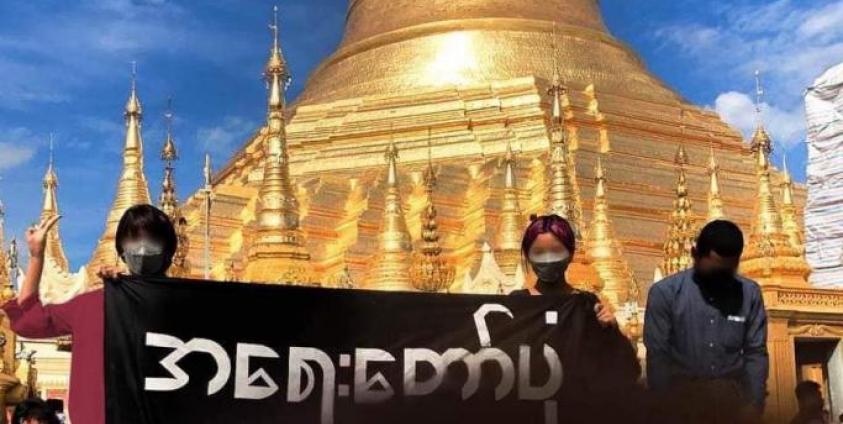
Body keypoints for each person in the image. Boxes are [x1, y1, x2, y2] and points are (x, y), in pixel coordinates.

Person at [2, 204, 177, 424]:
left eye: (152, 240)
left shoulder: (187, 309)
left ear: (169, 250)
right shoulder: (93, 305)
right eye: (133, 240)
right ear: (122, 251)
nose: (142, 249)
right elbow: (29, 321)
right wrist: (37, 257)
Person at [644, 220, 768, 422]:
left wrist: (755, 404)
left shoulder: (749, 293)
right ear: (695, 255)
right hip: (682, 403)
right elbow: (658, 356)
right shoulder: (665, 293)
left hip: (732, 403)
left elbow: (756, 352)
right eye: (714, 271)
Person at [510, 214, 615, 326]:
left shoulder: (586, 303)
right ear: (528, 256)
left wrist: (610, 326)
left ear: (571, 253)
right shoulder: (517, 302)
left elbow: (604, 335)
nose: (548, 259)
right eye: (539, 252)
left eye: (556, 251)